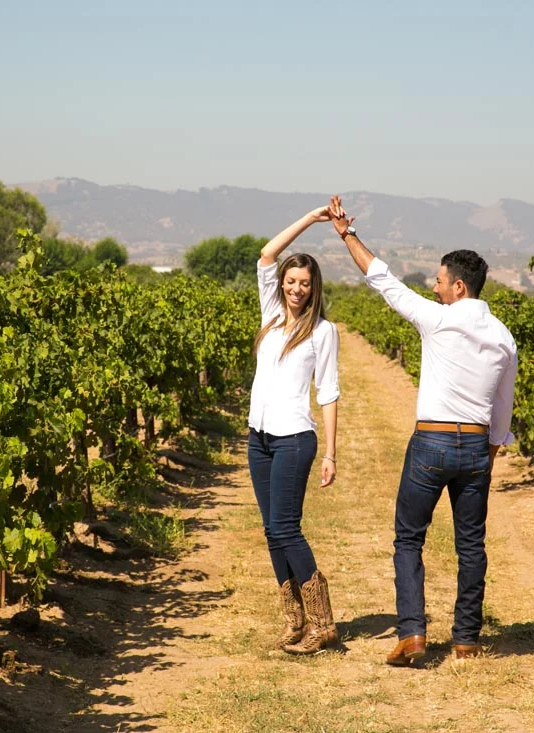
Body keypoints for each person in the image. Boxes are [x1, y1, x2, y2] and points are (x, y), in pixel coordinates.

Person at [328, 195, 517, 666]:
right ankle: (467, 640)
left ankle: (413, 634)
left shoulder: (438, 319)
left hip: (431, 442)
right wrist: (491, 448)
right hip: (475, 445)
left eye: (437, 282)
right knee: (471, 544)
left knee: (409, 538)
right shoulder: (503, 336)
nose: (433, 289)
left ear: (457, 286)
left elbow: (383, 280)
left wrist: (347, 234)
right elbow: (503, 404)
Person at [248, 205, 341, 655]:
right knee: (271, 531)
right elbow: (267, 253)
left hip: (294, 439)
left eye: (305, 283)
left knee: (286, 528)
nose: (296, 289)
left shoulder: (323, 331)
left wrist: (331, 453)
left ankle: (323, 624)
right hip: (259, 438)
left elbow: (329, 392)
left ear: (314, 287)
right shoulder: (270, 313)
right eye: (291, 281)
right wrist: (311, 218)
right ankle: (295, 621)